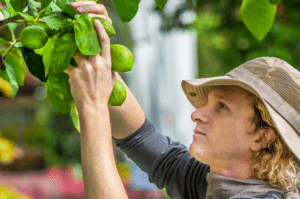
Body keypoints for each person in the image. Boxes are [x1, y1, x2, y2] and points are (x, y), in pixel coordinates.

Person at [68, 1, 300, 198]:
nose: (196, 113)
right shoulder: (216, 183)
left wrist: (92, 109)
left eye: (222, 106)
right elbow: (141, 138)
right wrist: (96, 52)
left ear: (262, 137)